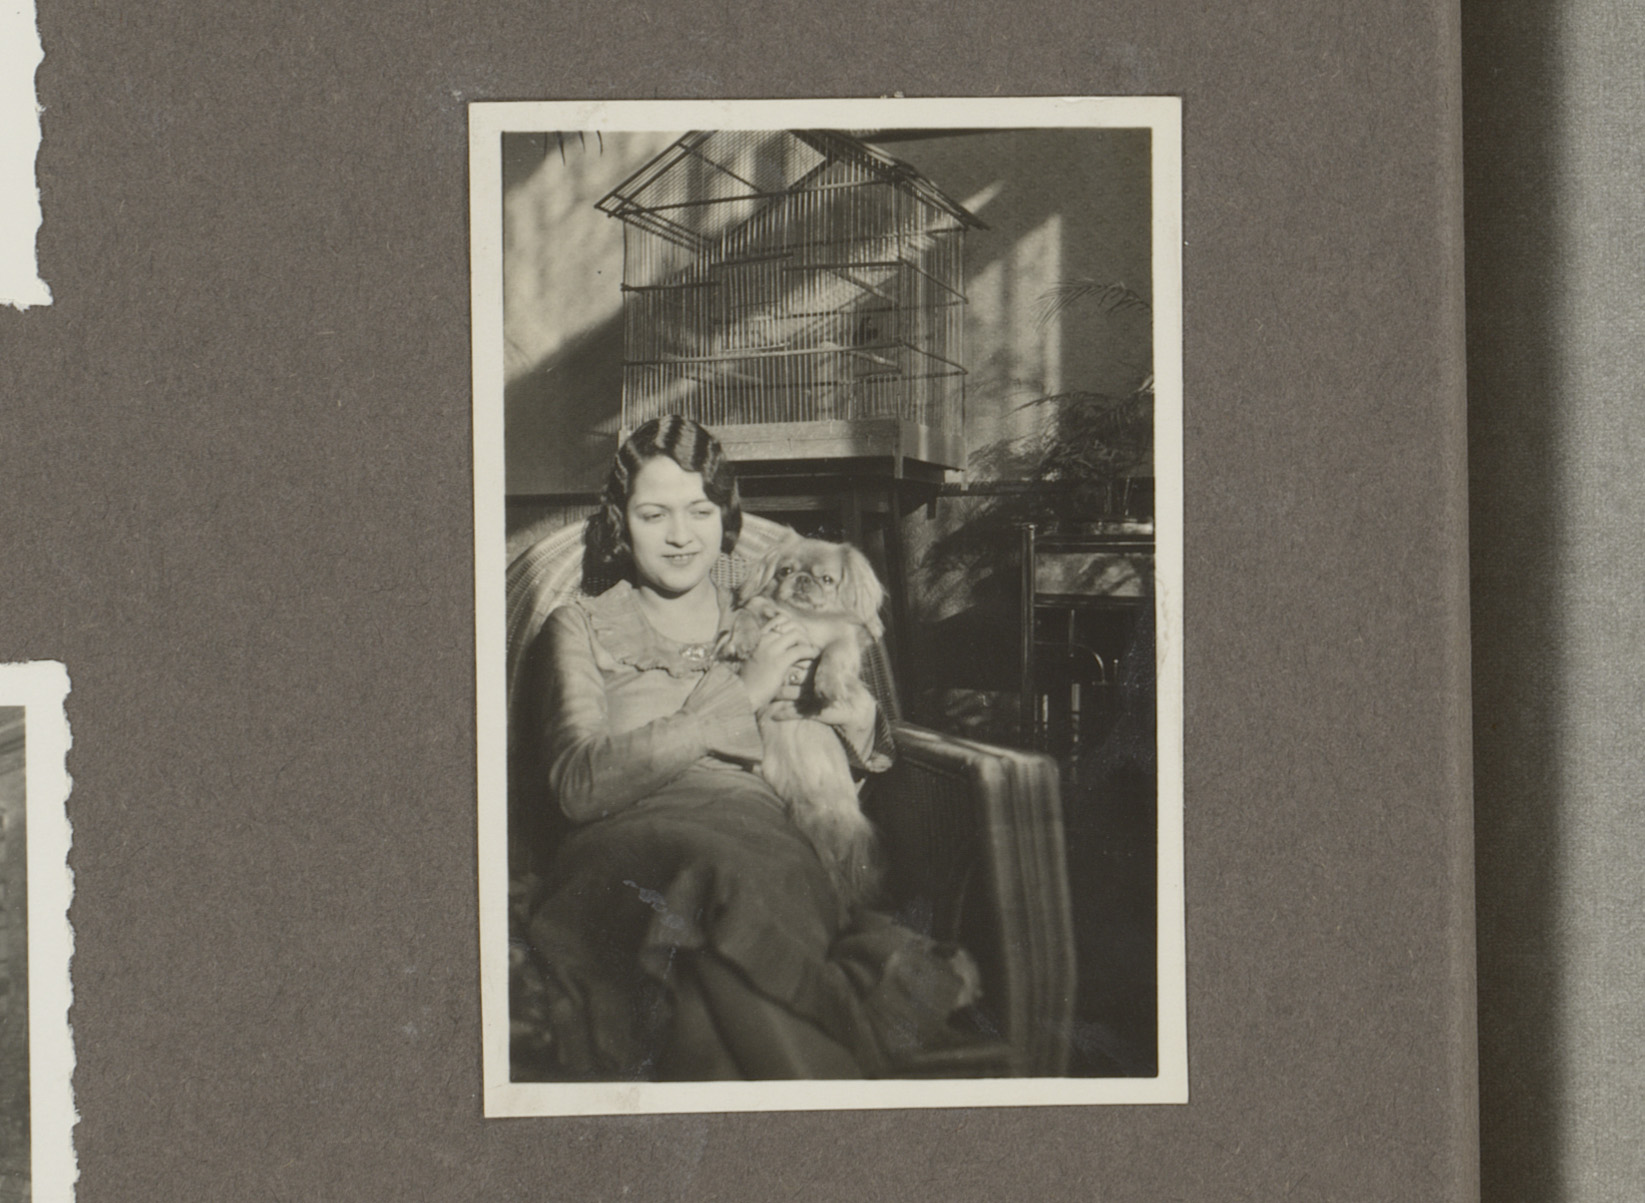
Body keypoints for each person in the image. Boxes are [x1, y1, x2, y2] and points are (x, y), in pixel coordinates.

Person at [515, 415, 976, 1081]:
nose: (680, 535)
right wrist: (738, 695)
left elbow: (856, 732)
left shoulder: (765, 608)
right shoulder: (582, 625)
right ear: (620, 522)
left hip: (764, 837)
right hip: (631, 844)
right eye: (653, 514)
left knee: (713, 970)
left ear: (724, 517)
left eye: (700, 511)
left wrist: (849, 711)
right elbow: (576, 785)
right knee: (713, 873)